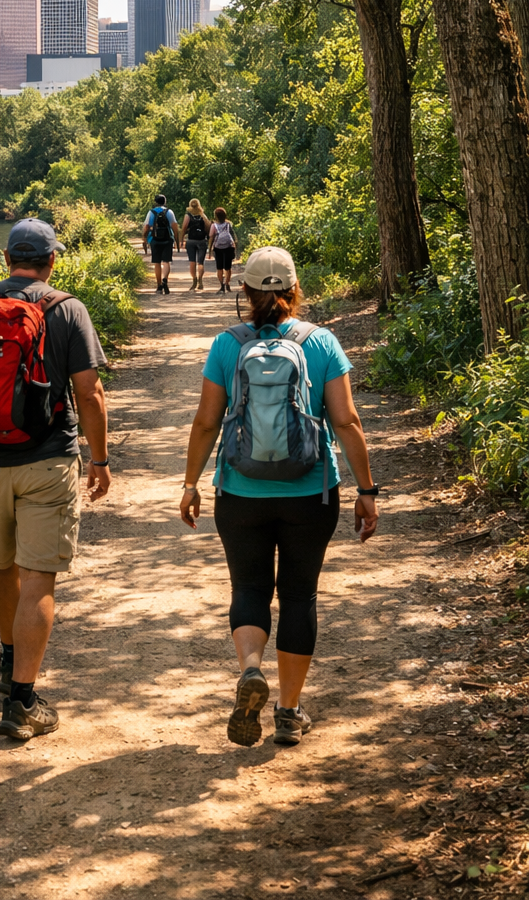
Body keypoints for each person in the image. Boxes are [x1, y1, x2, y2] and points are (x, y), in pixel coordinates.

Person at [179, 246, 379, 748]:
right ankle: (288, 713)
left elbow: (206, 422)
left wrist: (190, 483)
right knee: (297, 595)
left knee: (248, 589)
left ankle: (250, 669)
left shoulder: (227, 345)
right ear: (294, 289)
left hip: (240, 490)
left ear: (244, 292)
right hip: (310, 491)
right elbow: (346, 421)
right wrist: (367, 489)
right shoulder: (322, 342)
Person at [0, 217, 111, 741]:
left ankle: (9, 660)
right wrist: (99, 458)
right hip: (48, 460)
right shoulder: (67, 309)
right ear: (52, 259)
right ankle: (23, 701)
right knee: (38, 576)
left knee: (1, 565)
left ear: (7, 257)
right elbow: (90, 393)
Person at [142, 193, 180, 294]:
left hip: (154, 239)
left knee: (157, 263)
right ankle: (165, 280)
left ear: (155, 202)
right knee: (166, 262)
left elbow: (146, 227)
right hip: (167, 239)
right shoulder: (169, 212)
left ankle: (159, 286)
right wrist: (177, 239)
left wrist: (144, 238)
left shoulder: (151, 212)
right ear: (165, 202)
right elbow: (174, 226)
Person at [181, 198, 210, 291]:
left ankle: (194, 280)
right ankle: (200, 280)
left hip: (191, 241)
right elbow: (208, 227)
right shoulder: (202, 215)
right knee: (200, 262)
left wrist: (181, 239)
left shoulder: (188, 215)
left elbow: (184, 227)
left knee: (192, 262)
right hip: (201, 241)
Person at [208, 206, 237, 293]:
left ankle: (221, 286)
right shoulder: (228, 224)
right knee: (228, 267)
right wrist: (235, 247)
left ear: (216, 216)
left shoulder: (214, 225)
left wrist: (210, 249)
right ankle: (227, 283)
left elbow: (211, 237)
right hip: (228, 247)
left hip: (218, 248)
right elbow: (233, 236)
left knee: (219, 268)